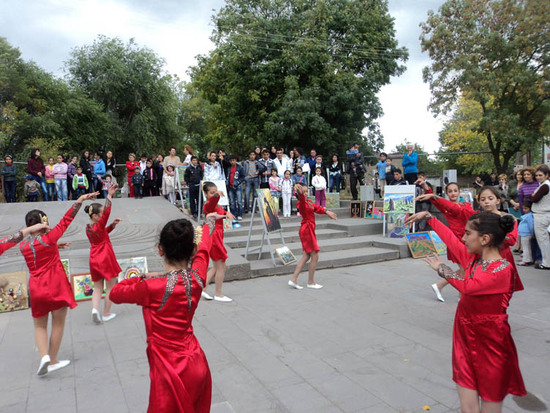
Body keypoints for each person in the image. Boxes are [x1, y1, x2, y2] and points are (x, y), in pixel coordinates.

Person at [406, 210, 526, 411]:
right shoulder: (472, 259)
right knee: (467, 403)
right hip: (464, 334)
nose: (463, 238)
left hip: (492, 342)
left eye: (468, 233)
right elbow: (451, 241)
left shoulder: (502, 269)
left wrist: (442, 268)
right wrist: (429, 218)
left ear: (485, 239)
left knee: (491, 400)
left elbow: (469, 286)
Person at [110, 214, 221, 413]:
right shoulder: (197, 277)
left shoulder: (150, 288)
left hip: (168, 370)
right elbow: (205, 246)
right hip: (196, 362)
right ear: (191, 250)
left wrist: (142, 278)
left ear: (160, 250)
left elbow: (114, 294)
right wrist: (209, 222)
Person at [20, 191, 99, 375]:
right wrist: (79, 200)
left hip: (36, 287)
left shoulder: (23, 246)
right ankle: (53, 359)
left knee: (39, 325)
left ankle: (44, 357)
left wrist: (57, 245)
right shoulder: (50, 238)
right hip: (55, 285)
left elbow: (38, 248)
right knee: (58, 323)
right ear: (43, 222)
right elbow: (66, 219)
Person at [416, 180, 474, 302]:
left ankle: (440, 285)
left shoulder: (466, 206)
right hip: (455, 240)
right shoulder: (447, 205)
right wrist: (427, 189)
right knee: (465, 269)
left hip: (467, 241)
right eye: (450, 191)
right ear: (446, 193)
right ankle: (461, 296)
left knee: (467, 268)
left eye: (455, 191)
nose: (453, 193)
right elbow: (435, 201)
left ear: (459, 192)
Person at [84, 184, 122, 324]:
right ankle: (106, 313)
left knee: (97, 287)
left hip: (94, 257)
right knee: (110, 286)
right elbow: (106, 213)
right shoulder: (98, 224)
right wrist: (109, 196)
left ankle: (95, 310)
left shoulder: (89, 227)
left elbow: (101, 234)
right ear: (95, 216)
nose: (103, 216)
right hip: (105, 256)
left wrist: (111, 226)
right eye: (100, 214)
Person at [289, 183, 337, 289]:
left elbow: (317, 208)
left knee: (306, 256)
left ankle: (294, 279)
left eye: (307, 191)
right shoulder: (301, 203)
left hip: (309, 230)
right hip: (307, 230)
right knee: (315, 256)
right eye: (304, 191)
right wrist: (299, 192)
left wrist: (327, 211)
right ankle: (310, 282)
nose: (306, 193)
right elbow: (301, 198)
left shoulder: (309, 202)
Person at [201, 182, 234, 302]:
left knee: (216, 266)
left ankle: (203, 288)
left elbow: (221, 211)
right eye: (211, 193)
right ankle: (218, 294)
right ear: (205, 194)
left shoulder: (216, 205)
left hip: (216, 235)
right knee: (221, 266)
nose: (214, 194)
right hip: (214, 236)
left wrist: (226, 213)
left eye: (215, 191)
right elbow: (212, 203)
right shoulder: (208, 205)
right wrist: (216, 196)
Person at [531, 164, 550, 270]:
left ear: (546, 175)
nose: (538, 177)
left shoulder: (545, 186)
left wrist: (532, 196)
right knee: (545, 240)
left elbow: (534, 198)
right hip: (544, 214)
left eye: (540, 175)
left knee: (543, 240)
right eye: (537, 175)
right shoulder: (544, 184)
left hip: (542, 215)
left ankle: (547, 263)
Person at [225, 155, 244, 220]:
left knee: (239, 201)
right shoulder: (228, 168)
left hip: (238, 186)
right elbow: (228, 176)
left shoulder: (240, 168)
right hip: (230, 186)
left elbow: (243, 177)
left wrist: (238, 182)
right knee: (232, 202)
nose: (232, 162)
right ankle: (233, 214)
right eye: (231, 161)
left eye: (233, 160)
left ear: (236, 160)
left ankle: (240, 214)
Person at [517, 200, 535, 266]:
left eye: (526, 208)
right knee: (527, 247)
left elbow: (531, 225)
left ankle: (526, 260)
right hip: (525, 233)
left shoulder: (529, 216)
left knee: (526, 247)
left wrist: (532, 232)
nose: (524, 210)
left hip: (526, 233)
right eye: (523, 208)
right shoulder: (527, 215)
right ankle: (529, 258)